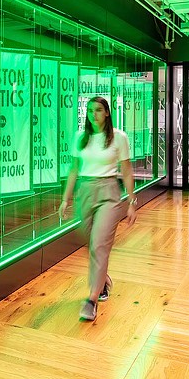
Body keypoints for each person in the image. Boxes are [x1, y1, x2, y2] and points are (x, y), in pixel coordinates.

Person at [58, 96, 137, 322]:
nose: (94, 115)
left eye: (99, 110)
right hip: (85, 191)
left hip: (109, 193)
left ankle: (92, 299)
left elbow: (127, 170)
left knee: (100, 244)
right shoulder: (80, 138)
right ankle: (103, 280)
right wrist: (66, 199)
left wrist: (131, 202)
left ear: (107, 113)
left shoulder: (119, 138)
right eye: (91, 110)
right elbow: (73, 170)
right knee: (90, 243)